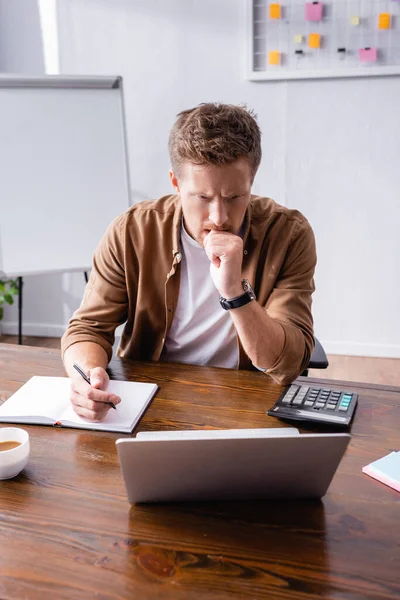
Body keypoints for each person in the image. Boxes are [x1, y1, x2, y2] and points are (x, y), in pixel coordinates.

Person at [61, 103, 316, 421]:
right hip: (151, 399)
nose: (219, 217)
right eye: (203, 198)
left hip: (246, 401)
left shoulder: (288, 234)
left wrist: (235, 293)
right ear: (176, 183)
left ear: (252, 181)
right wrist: (87, 379)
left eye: (235, 196)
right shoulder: (132, 230)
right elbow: (88, 328)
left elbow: (289, 363)